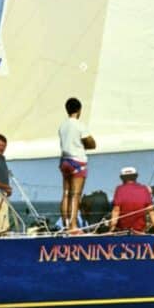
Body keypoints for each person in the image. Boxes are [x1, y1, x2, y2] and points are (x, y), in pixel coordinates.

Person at [59, 97, 96, 233]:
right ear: (79, 110)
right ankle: (73, 225)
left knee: (66, 193)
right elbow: (91, 144)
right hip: (77, 161)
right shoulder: (79, 125)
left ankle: (65, 223)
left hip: (64, 161)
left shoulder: (63, 126)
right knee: (75, 195)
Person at [110, 166, 154, 233]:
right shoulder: (144, 189)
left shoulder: (119, 189)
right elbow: (151, 211)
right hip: (140, 230)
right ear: (136, 177)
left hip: (122, 230)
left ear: (121, 178)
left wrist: (111, 229)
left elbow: (116, 210)